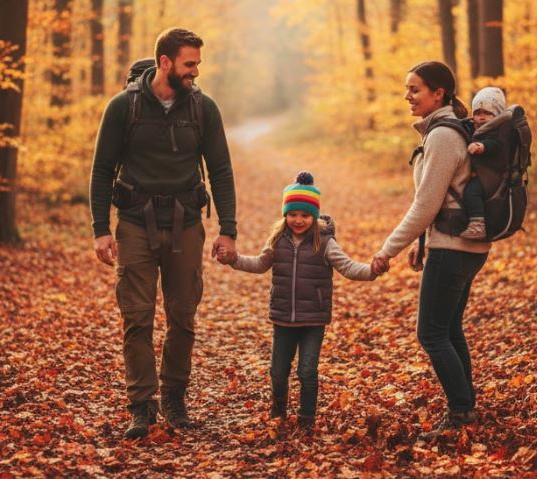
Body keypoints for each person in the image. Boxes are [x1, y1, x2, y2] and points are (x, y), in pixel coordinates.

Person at [89, 28, 237, 439]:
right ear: (165, 62)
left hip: (186, 223)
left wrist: (229, 229)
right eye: (189, 64)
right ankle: (142, 405)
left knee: (183, 316)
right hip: (135, 222)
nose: (195, 72)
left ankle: (174, 396)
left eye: (198, 65)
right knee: (136, 317)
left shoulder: (204, 109)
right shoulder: (123, 108)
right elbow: (102, 170)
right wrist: (101, 230)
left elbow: (221, 170)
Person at [371, 61, 491, 439]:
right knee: (449, 328)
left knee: (431, 333)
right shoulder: (447, 130)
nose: (408, 96)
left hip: (454, 248)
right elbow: (443, 198)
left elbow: (426, 205)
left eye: (415, 89)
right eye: (407, 89)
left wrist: (387, 250)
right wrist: (421, 244)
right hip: (466, 246)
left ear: (439, 93)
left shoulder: (442, 136)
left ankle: (460, 413)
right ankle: (466, 404)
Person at [217, 172, 377, 430]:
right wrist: (233, 259)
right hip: (283, 318)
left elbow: (348, 267)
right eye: (293, 214)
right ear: (285, 214)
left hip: (313, 319)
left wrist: (372, 270)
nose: (298, 220)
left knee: (307, 371)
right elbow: (259, 264)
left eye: (304, 215)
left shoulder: (325, 242)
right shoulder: (278, 240)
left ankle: (307, 418)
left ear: (314, 216)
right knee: (278, 371)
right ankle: (278, 411)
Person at [460, 86, 507, 240]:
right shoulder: (476, 127)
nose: (481, 117)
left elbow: (497, 145)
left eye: (487, 113)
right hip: (481, 173)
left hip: (492, 176)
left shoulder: (498, 131)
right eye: (477, 113)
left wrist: (482, 147)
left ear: (498, 116)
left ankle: (477, 225)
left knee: (471, 192)